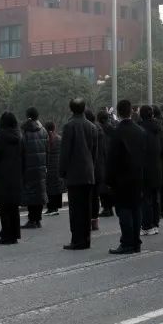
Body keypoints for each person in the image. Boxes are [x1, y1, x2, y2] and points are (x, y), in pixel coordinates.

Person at [59, 98, 101, 250]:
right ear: (84, 109)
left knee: (76, 209)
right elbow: (94, 152)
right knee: (86, 208)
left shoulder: (69, 126)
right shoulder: (92, 127)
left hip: (74, 173)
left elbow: (65, 152)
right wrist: (91, 167)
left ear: (71, 109)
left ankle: (77, 240)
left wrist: (62, 171)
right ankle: (86, 239)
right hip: (88, 172)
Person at [107, 102, 146, 254]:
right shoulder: (140, 131)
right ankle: (136, 242)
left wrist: (109, 180)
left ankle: (127, 242)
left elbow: (112, 158)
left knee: (124, 210)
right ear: (131, 112)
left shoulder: (117, 132)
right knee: (136, 209)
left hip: (122, 178)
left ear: (119, 112)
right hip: (138, 176)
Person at [0, 111, 24, 245]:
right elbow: (24, 157)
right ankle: (15, 234)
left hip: (2, 176)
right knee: (14, 207)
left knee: (4, 207)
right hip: (16, 176)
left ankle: (6, 235)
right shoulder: (20, 136)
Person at [136, 102, 163, 237]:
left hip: (145, 168)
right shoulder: (159, 128)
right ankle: (155, 224)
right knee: (155, 197)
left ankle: (147, 225)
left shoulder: (140, 130)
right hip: (157, 166)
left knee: (146, 198)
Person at [21, 107, 48, 228]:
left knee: (30, 193)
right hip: (41, 165)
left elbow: (21, 149)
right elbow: (47, 148)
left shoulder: (25, 131)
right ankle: (38, 219)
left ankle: (32, 219)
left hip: (28, 165)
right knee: (39, 192)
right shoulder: (43, 130)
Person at [43, 120, 65, 215]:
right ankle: (56, 208)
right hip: (58, 166)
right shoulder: (59, 139)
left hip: (49, 167)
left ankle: (51, 208)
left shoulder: (45, 140)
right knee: (57, 187)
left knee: (50, 188)